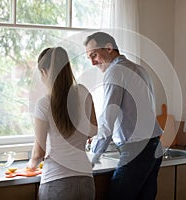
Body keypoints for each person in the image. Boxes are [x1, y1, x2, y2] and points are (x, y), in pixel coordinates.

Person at [84, 32, 163, 200]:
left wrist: (93, 157)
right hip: (154, 146)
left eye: (94, 55)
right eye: (89, 58)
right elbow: (133, 114)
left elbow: (108, 119)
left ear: (109, 48)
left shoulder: (115, 72)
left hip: (137, 149)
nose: (92, 62)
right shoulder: (139, 69)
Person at [28, 47, 97, 200]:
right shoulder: (84, 92)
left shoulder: (44, 104)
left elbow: (39, 153)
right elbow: (93, 131)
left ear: (44, 72)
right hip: (85, 181)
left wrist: (31, 165)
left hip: (56, 181)